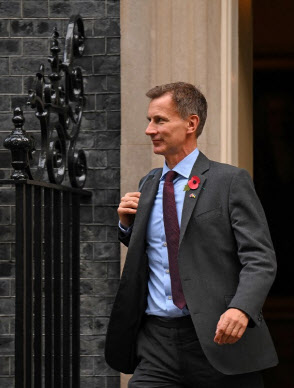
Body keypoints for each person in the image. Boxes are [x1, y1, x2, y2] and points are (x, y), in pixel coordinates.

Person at [105, 82, 278, 387]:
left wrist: (241, 307)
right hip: (156, 343)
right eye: (149, 120)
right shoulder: (148, 183)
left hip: (218, 341)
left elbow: (260, 258)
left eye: (159, 120)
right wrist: (126, 227)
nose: (149, 130)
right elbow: (161, 249)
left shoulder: (229, 181)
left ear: (191, 123)